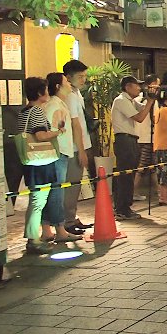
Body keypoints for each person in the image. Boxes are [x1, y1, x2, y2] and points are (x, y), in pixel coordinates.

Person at [19, 77, 77, 254]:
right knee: (38, 201)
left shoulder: (24, 111)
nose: (47, 92)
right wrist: (58, 132)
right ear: (39, 93)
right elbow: (41, 136)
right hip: (40, 161)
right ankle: (32, 240)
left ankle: (33, 237)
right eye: (45, 89)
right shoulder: (37, 111)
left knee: (36, 200)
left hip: (30, 161)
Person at [110, 75, 157, 220]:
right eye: (136, 85)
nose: (139, 88)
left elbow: (144, 109)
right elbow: (140, 117)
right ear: (128, 87)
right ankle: (122, 209)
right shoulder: (121, 100)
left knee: (129, 174)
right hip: (124, 140)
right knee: (125, 175)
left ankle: (125, 207)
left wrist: (151, 98)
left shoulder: (130, 101)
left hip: (130, 140)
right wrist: (150, 101)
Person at [61, 59, 93, 236]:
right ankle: (67, 221)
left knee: (75, 184)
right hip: (73, 148)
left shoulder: (77, 93)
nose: (83, 80)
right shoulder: (70, 97)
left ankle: (71, 217)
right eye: (80, 77)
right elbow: (75, 125)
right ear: (68, 77)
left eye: (84, 76)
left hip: (80, 145)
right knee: (71, 185)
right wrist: (81, 151)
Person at [133, 74, 161, 203]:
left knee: (152, 166)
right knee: (142, 166)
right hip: (149, 138)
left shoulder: (137, 99)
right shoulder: (152, 100)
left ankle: (159, 190)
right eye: (157, 84)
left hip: (138, 137)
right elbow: (155, 118)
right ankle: (133, 192)